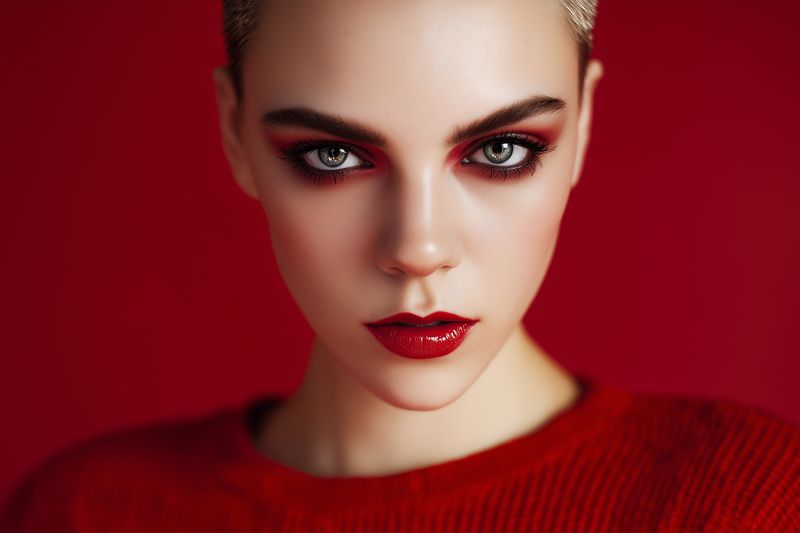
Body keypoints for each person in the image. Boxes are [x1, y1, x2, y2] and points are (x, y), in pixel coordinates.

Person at [2, 0, 798, 530]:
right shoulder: (87, 510)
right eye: (333, 153)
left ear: (583, 124)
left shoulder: (749, 502)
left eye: (501, 149)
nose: (417, 247)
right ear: (236, 134)